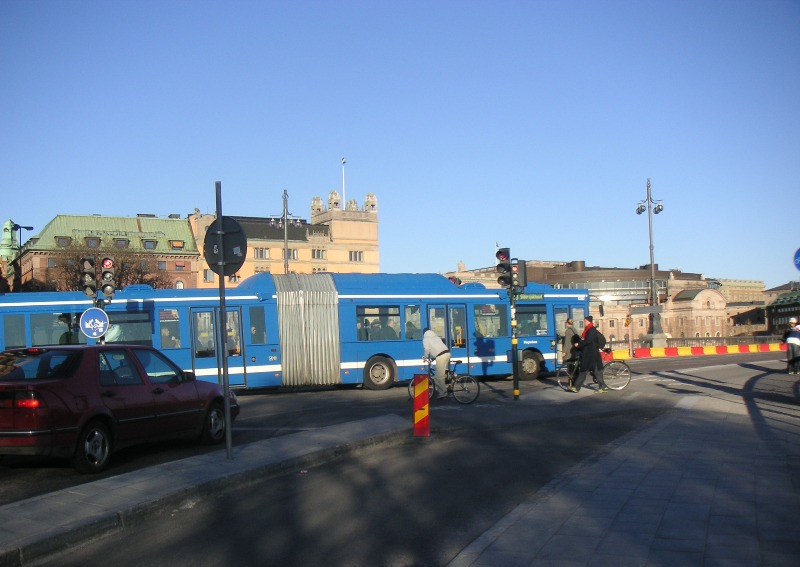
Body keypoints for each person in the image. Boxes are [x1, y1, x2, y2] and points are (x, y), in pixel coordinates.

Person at [569, 315, 610, 393]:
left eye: (584, 321)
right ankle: (602, 386)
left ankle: (576, 387)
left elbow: (588, 341)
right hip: (590, 353)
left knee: (585, 370)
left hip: (591, 354)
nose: (584, 322)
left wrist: (579, 345)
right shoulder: (588, 329)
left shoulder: (591, 330)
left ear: (588, 321)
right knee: (591, 371)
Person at [422, 327, 450, 400]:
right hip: (447, 353)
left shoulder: (426, 338)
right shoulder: (435, 336)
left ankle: (443, 393)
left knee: (438, 377)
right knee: (441, 373)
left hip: (441, 356)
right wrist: (433, 358)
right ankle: (450, 381)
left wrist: (425, 357)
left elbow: (427, 349)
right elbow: (438, 349)